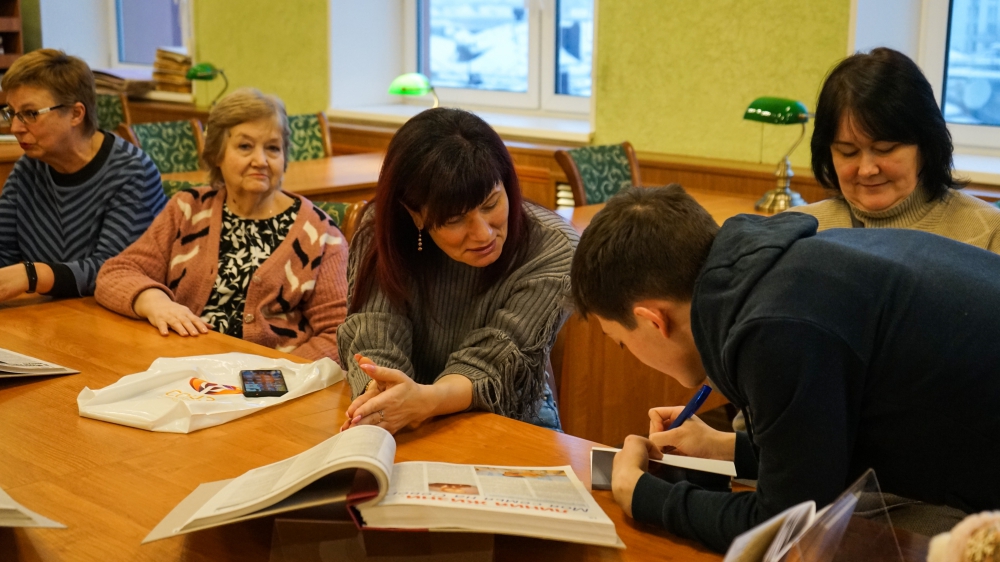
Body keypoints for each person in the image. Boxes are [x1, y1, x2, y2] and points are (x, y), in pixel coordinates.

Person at [570, 185, 1000, 553]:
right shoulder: (779, 272)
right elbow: (824, 452)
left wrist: (640, 494)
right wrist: (725, 447)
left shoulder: (775, 329)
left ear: (652, 320)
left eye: (621, 342)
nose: (629, 352)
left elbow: (784, 527)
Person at [337, 108, 578, 434]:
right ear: (414, 214)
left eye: (491, 204)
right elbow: (374, 329)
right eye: (454, 219)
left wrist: (425, 400)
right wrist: (379, 391)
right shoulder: (384, 231)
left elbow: (498, 358)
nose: (483, 233)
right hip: (403, 408)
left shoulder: (555, 247)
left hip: (508, 415)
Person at [96, 89, 348, 361]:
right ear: (217, 153)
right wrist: (155, 302)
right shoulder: (189, 209)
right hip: (182, 364)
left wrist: (281, 373)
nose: (261, 161)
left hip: (270, 376)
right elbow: (115, 273)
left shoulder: (320, 234)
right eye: (245, 146)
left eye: (273, 148)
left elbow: (339, 332)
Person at [0, 49, 165, 301]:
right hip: (50, 312)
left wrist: (33, 275)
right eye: (11, 112)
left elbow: (113, 271)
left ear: (76, 114)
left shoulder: (133, 172)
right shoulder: (29, 167)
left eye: (30, 114)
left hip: (110, 314)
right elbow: (3, 252)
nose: (15, 127)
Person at [798, 47, 1000, 251]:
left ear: (926, 145)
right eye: (848, 152)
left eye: (885, 149)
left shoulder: (988, 234)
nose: (867, 170)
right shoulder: (800, 232)